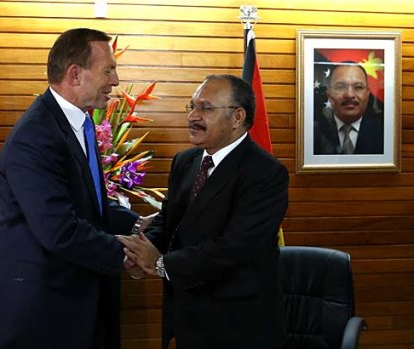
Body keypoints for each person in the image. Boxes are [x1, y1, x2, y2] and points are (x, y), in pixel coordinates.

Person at [0, 28, 152, 349]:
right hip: (40, 316)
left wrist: (137, 224)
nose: (115, 80)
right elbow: (58, 228)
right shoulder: (37, 135)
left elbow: (87, 202)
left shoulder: (77, 124)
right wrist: (130, 254)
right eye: (108, 70)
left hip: (73, 305)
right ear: (75, 74)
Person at [118, 74, 289, 349]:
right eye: (192, 106)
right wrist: (140, 251)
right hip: (188, 318)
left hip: (239, 328)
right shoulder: (185, 161)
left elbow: (234, 248)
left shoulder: (266, 173)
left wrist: (160, 264)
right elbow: (171, 221)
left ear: (237, 117)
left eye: (206, 108)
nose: (193, 116)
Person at [313, 62, 383, 154]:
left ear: (367, 93)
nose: (350, 95)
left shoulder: (384, 132)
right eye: (341, 87)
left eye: (358, 87)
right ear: (329, 94)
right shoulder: (313, 133)